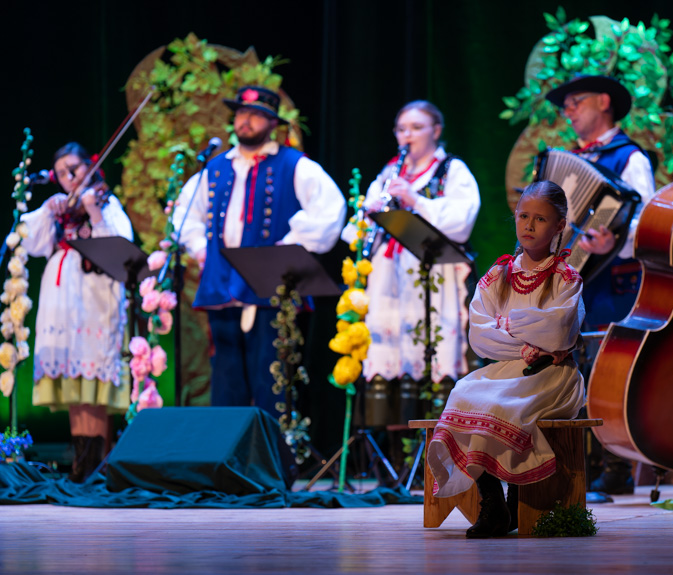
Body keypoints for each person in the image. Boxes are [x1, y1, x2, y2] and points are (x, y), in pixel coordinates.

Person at [172, 85, 346, 423]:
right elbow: (184, 213)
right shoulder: (216, 168)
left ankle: (271, 462)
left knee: (272, 380)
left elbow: (330, 211)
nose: (245, 121)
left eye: (254, 115)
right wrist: (198, 248)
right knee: (225, 381)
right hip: (222, 286)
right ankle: (227, 464)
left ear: (271, 123)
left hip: (271, 290)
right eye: (240, 113)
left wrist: (287, 250)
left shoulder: (294, 165)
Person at [426, 180, 584, 538]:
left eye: (540, 219)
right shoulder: (499, 277)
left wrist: (509, 326)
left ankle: (516, 499)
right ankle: (492, 501)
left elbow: (559, 330)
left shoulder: (565, 278)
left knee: (499, 403)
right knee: (463, 392)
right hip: (507, 369)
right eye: (523, 216)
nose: (528, 226)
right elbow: (481, 336)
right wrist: (529, 339)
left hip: (554, 375)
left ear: (559, 225)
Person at [544, 74, 656, 494]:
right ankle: (577, 468)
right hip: (577, 284)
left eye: (576, 102)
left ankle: (615, 470)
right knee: (572, 370)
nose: (568, 111)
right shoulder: (570, 159)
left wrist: (615, 241)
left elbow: (647, 225)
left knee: (605, 371)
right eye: (566, 105)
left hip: (615, 284)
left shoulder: (630, 158)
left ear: (604, 101)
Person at [344, 101, 480, 419]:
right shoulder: (389, 173)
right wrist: (371, 212)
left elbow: (463, 220)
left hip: (438, 278)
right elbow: (354, 232)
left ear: (436, 131)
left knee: (436, 346)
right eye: (402, 129)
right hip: (389, 279)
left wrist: (415, 200)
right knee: (389, 350)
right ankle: (391, 448)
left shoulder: (451, 170)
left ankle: (438, 435)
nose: (408, 135)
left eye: (417, 128)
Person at [21, 142, 133, 482]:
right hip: (62, 299)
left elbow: (120, 245)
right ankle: (81, 464)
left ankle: (98, 464)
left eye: (74, 168)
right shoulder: (57, 207)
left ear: (89, 166)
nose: (68, 177)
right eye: (60, 173)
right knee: (74, 384)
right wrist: (47, 210)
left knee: (94, 380)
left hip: (96, 296)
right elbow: (32, 243)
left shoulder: (104, 202)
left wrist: (93, 212)